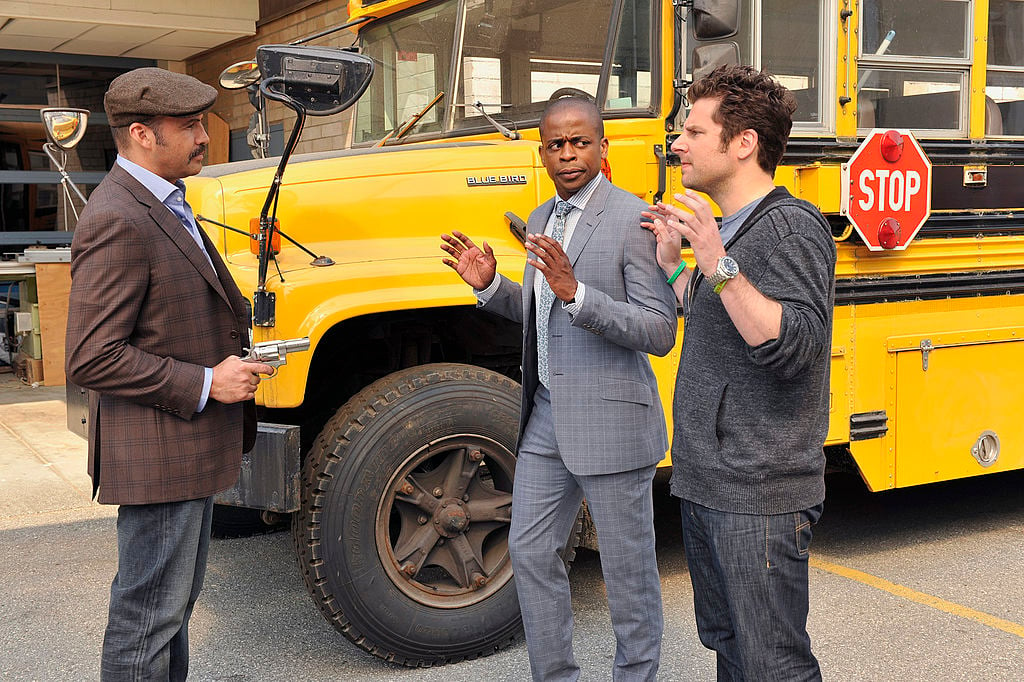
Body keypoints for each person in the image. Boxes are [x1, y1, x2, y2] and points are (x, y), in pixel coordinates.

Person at [440, 96, 677, 681]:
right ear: (541, 151)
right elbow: (543, 316)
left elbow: (659, 329)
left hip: (613, 420)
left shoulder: (633, 219)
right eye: (556, 144)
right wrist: (491, 285)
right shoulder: (542, 217)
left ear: (602, 147)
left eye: (579, 143)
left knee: (628, 572)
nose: (568, 154)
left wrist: (578, 294)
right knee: (528, 551)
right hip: (546, 414)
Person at [65, 67, 273, 681]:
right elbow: (93, 356)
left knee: (169, 612)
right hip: (159, 459)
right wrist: (210, 383)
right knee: (148, 618)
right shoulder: (119, 217)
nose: (206, 136)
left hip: (181, 453)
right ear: (141, 134)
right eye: (189, 126)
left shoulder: (165, 200)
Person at [642, 65, 836, 681]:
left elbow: (798, 346)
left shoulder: (792, 226)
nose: (678, 144)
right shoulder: (724, 230)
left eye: (695, 131)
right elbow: (716, 319)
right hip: (708, 483)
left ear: (744, 143)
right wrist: (676, 267)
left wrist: (717, 260)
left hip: (761, 494)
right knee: (731, 649)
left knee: (773, 663)